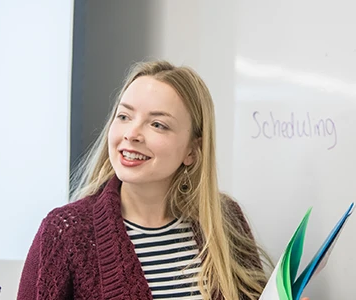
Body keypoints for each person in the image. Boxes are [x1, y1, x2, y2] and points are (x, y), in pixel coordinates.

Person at [17, 59, 309, 300]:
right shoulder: (64, 233)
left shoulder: (226, 220)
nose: (132, 133)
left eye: (157, 124)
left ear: (192, 150)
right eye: (124, 116)